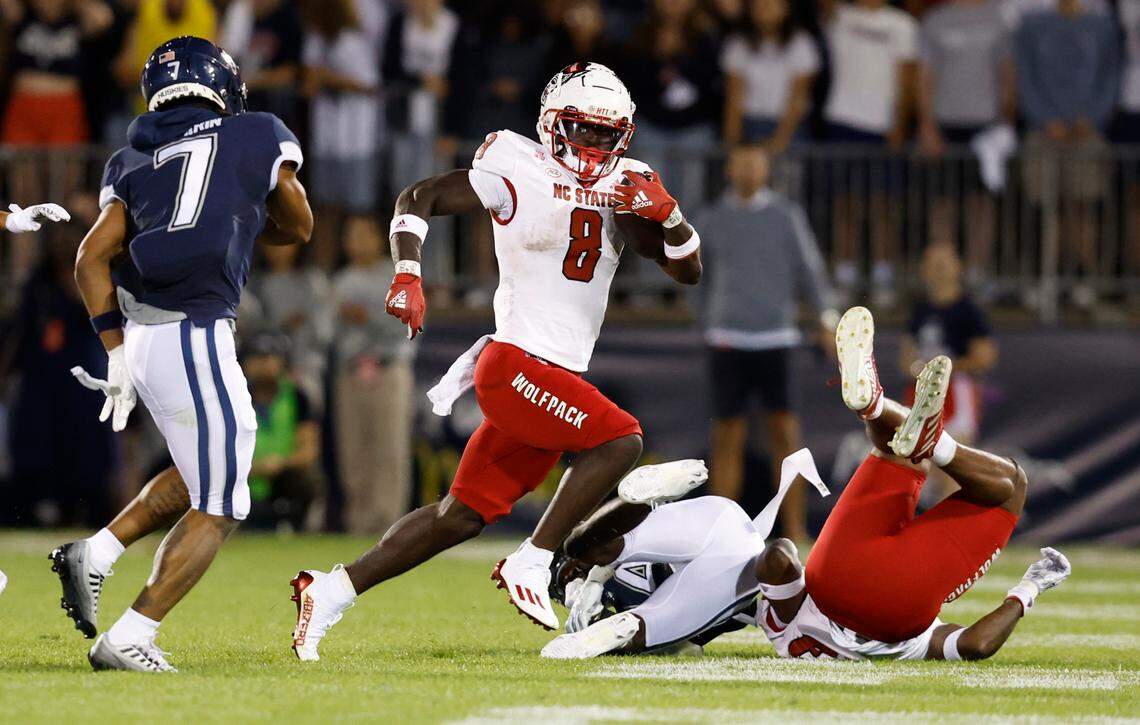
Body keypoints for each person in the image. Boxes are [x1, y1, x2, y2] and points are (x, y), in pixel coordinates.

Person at [289, 61, 703, 660]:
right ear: (552, 124)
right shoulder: (518, 162)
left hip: (554, 376)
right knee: (622, 441)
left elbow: (687, 270)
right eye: (583, 130)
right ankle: (533, 560)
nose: (594, 145)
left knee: (458, 516)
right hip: (514, 366)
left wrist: (669, 215)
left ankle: (330, 590)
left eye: (606, 134)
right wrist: (408, 272)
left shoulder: (628, 182)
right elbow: (420, 195)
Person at [541, 306, 1070, 661]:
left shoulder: (786, 628)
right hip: (800, 581)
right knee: (947, 466)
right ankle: (888, 414)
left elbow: (974, 645)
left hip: (864, 599)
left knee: (931, 468)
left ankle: (893, 419)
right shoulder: (780, 627)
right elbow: (776, 559)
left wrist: (1030, 587)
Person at [51, 36, 313, 672]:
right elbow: (299, 227)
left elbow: (90, 258)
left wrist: (113, 351)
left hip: (141, 337)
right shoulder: (256, 131)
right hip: (194, 331)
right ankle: (131, 634)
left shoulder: (132, 154)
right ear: (224, 88)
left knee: (208, 471)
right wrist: (251, 208)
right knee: (224, 502)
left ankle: (101, 552)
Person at [695, 145, 835, 540]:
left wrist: (826, 319)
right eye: (742, 161)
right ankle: (721, 535)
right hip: (727, 339)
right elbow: (693, 277)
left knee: (786, 437)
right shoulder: (710, 219)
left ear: (767, 168)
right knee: (726, 436)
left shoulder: (786, 216)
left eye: (757, 161)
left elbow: (811, 273)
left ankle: (793, 530)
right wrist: (709, 321)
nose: (749, 169)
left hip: (778, 337)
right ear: (729, 167)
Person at [1016, 0, 1119, 302]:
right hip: (1042, 132)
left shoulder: (1103, 25)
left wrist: (1092, 119)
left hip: (1088, 134)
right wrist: (1045, 119)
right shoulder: (1032, 24)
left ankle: (1084, 279)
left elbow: (1110, 76)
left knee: (1083, 209)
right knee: (1042, 209)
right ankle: (1042, 279)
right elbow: (1025, 75)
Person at [821, 0, 919, 306]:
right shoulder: (840, 17)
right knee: (844, 204)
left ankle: (882, 275)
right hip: (842, 119)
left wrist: (900, 123)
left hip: (882, 125)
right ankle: (845, 275)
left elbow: (907, 77)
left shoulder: (902, 25)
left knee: (883, 206)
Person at [916, 0, 1015, 286]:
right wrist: (926, 124)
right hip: (945, 123)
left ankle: (977, 272)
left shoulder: (999, 19)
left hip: (985, 125)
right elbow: (925, 75)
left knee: (980, 204)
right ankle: (942, 273)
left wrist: (1005, 121)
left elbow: (1007, 71)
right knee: (942, 203)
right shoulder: (934, 21)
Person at [329, 216, 416, 535]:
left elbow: (410, 323)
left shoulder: (397, 275)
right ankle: (358, 523)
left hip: (388, 366)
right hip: (351, 370)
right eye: (351, 235)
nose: (357, 241)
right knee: (353, 450)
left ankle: (389, 524)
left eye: (364, 234)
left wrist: (369, 316)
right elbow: (327, 332)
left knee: (389, 450)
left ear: (379, 238)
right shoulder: (340, 280)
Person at [901, 243, 997, 504]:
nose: (939, 271)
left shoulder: (967, 311)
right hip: (921, 392)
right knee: (915, 468)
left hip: (956, 391)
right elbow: (906, 355)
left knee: (953, 465)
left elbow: (985, 356)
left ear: (958, 268)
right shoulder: (921, 310)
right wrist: (918, 369)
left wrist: (944, 369)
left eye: (944, 264)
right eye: (933, 264)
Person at [299, 0, 387, 271]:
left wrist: (332, 78)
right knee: (325, 210)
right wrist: (323, 78)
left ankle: (359, 273)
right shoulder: (315, 40)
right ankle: (325, 273)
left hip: (357, 140)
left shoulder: (351, 41)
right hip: (326, 140)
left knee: (359, 211)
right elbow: (309, 85)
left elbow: (371, 85)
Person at [243, 334, 324, 532]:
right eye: (257, 357)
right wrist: (251, 468)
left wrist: (279, 463)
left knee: (306, 481)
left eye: (270, 356)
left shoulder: (297, 395)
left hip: (282, 473)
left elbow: (309, 451)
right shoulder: (232, 396)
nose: (264, 364)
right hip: (242, 476)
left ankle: (296, 526)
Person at [721, 0, 821, 151]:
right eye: (759, 4)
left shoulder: (802, 43)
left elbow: (798, 98)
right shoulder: (738, 44)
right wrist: (732, 142)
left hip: (790, 126)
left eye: (771, 4)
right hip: (750, 123)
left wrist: (780, 140)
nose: (765, 8)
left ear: (786, 9)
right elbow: (734, 97)